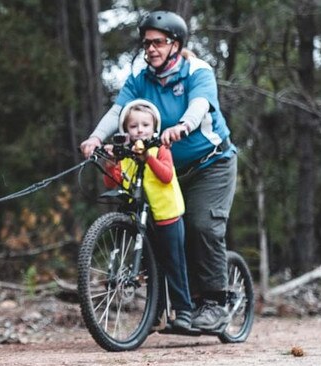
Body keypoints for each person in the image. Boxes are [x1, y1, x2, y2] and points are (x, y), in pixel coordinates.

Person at [80, 10, 237, 331]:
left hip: (211, 163)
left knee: (202, 226)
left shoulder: (197, 71)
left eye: (159, 42)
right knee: (152, 230)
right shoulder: (141, 79)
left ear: (176, 45)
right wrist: (96, 137)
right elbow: (117, 110)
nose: (151, 49)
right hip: (166, 168)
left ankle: (216, 302)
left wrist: (182, 126)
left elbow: (201, 105)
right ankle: (159, 308)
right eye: (147, 43)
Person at [102, 99, 193, 329]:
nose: (139, 130)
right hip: (143, 219)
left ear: (154, 128)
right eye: (133, 126)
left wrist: (148, 158)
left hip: (167, 215)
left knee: (174, 263)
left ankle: (184, 312)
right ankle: (156, 313)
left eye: (145, 125)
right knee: (153, 268)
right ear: (126, 130)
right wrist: (112, 160)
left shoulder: (160, 148)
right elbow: (112, 181)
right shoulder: (127, 155)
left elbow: (165, 175)